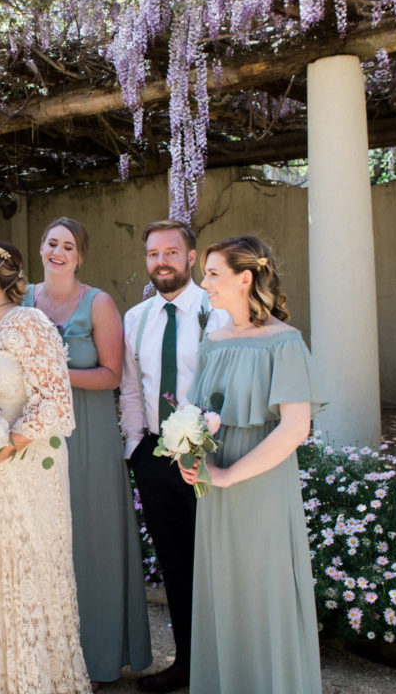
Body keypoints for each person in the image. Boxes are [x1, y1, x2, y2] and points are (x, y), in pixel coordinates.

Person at [0, 240, 91, 694]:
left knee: (28, 584)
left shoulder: (28, 323)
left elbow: (56, 403)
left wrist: (4, 448)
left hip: (28, 479)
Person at [183, 235, 322, 694]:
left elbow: (295, 427)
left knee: (265, 593)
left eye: (213, 274)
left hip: (260, 485)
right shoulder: (215, 341)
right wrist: (192, 456)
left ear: (245, 279)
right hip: (216, 491)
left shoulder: (285, 342)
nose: (205, 283)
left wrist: (227, 475)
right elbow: (197, 416)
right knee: (224, 594)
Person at [23, 217, 151, 688]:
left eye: (69, 246)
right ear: (41, 249)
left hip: (89, 434)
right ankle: (48, 655)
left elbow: (113, 375)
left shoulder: (98, 303)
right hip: (35, 435)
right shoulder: (23, 299)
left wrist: (56, 371)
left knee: (90, 542)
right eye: (52, 243)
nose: (59, 251)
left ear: (80, 256)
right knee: (42, 543)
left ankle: (97, 659)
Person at [119, 219, 228, 693]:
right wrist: (135, 446)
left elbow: (228, 389)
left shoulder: (217, 311)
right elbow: (128, 387)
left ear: (191, 257)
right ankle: (186, 664)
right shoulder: (135, 317)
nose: (160, 261)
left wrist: (207, 444)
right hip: (154, 457)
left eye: (170, 252)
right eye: (152, 254)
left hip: (208, 457)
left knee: (218, 564)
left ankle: (224, 667)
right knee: (176, 565)